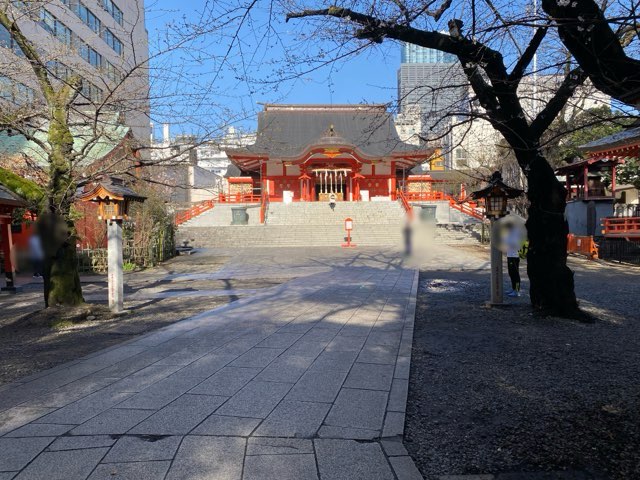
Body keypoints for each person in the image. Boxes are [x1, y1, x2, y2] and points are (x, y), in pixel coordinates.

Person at [505, 223, 522, 297]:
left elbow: (515, 244)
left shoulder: (515, 232)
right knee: (511, 273)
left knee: (515, 274)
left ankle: (517, 291)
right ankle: (513, 288)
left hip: (514, 256)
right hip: (510, 255)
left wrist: (505, 240)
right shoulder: (511, 232)